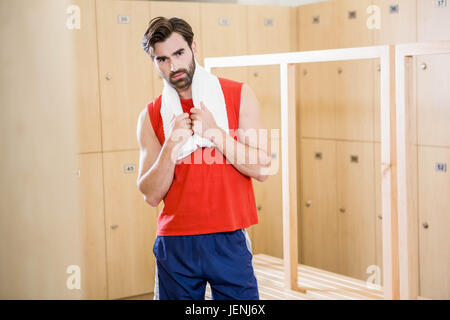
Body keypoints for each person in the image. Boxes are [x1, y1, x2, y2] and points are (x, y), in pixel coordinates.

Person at [136, 16, 271, 300]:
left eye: (179, 53)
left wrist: (216, 134)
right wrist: (171, 144)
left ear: (194, 48)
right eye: (162, 59)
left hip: (229, 237)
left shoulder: (239, 94)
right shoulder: (151, 115)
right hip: (175, 243)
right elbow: (149, 194)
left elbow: (262, 167)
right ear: (154, 62)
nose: (173, 67)